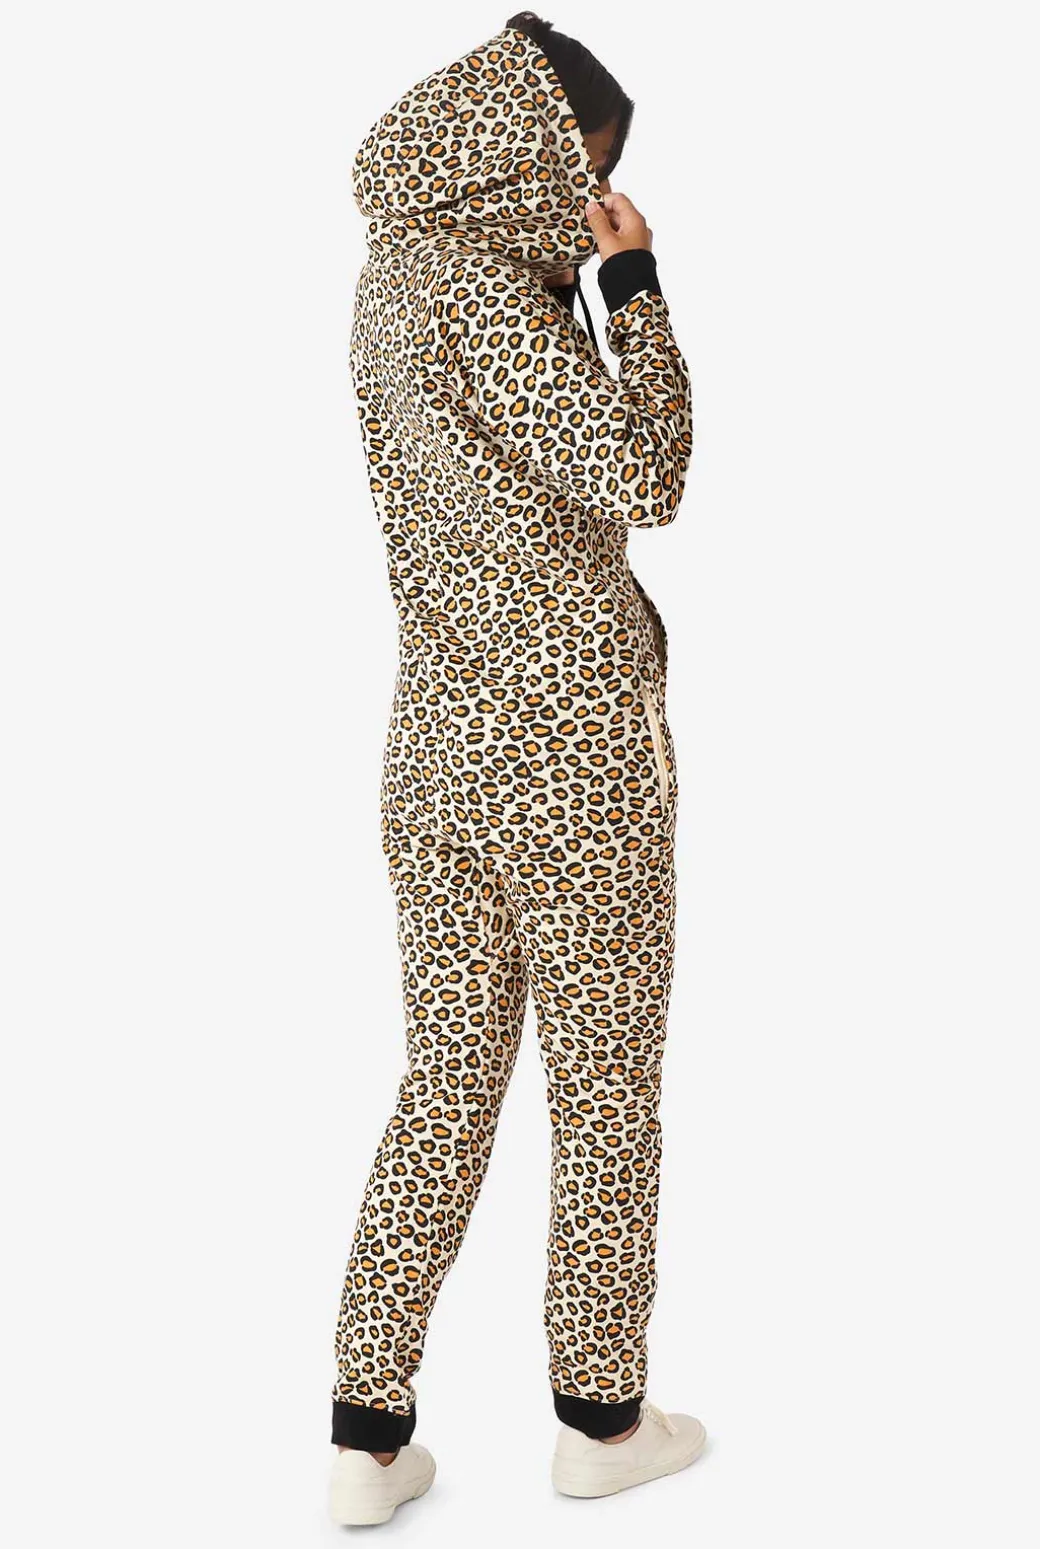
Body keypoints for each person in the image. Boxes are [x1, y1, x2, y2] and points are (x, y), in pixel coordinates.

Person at [329, 13, 704, 1524]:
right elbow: (646, 474)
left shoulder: (388, 281)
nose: (588, 198)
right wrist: (635, 287)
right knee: (603, 1083)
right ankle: (602, 1423)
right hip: (571, 751)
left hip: (436, 745)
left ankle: (364, 1437)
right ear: (527, 155)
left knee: (446, 1076)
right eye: (582, 168)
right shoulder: (493, 296)